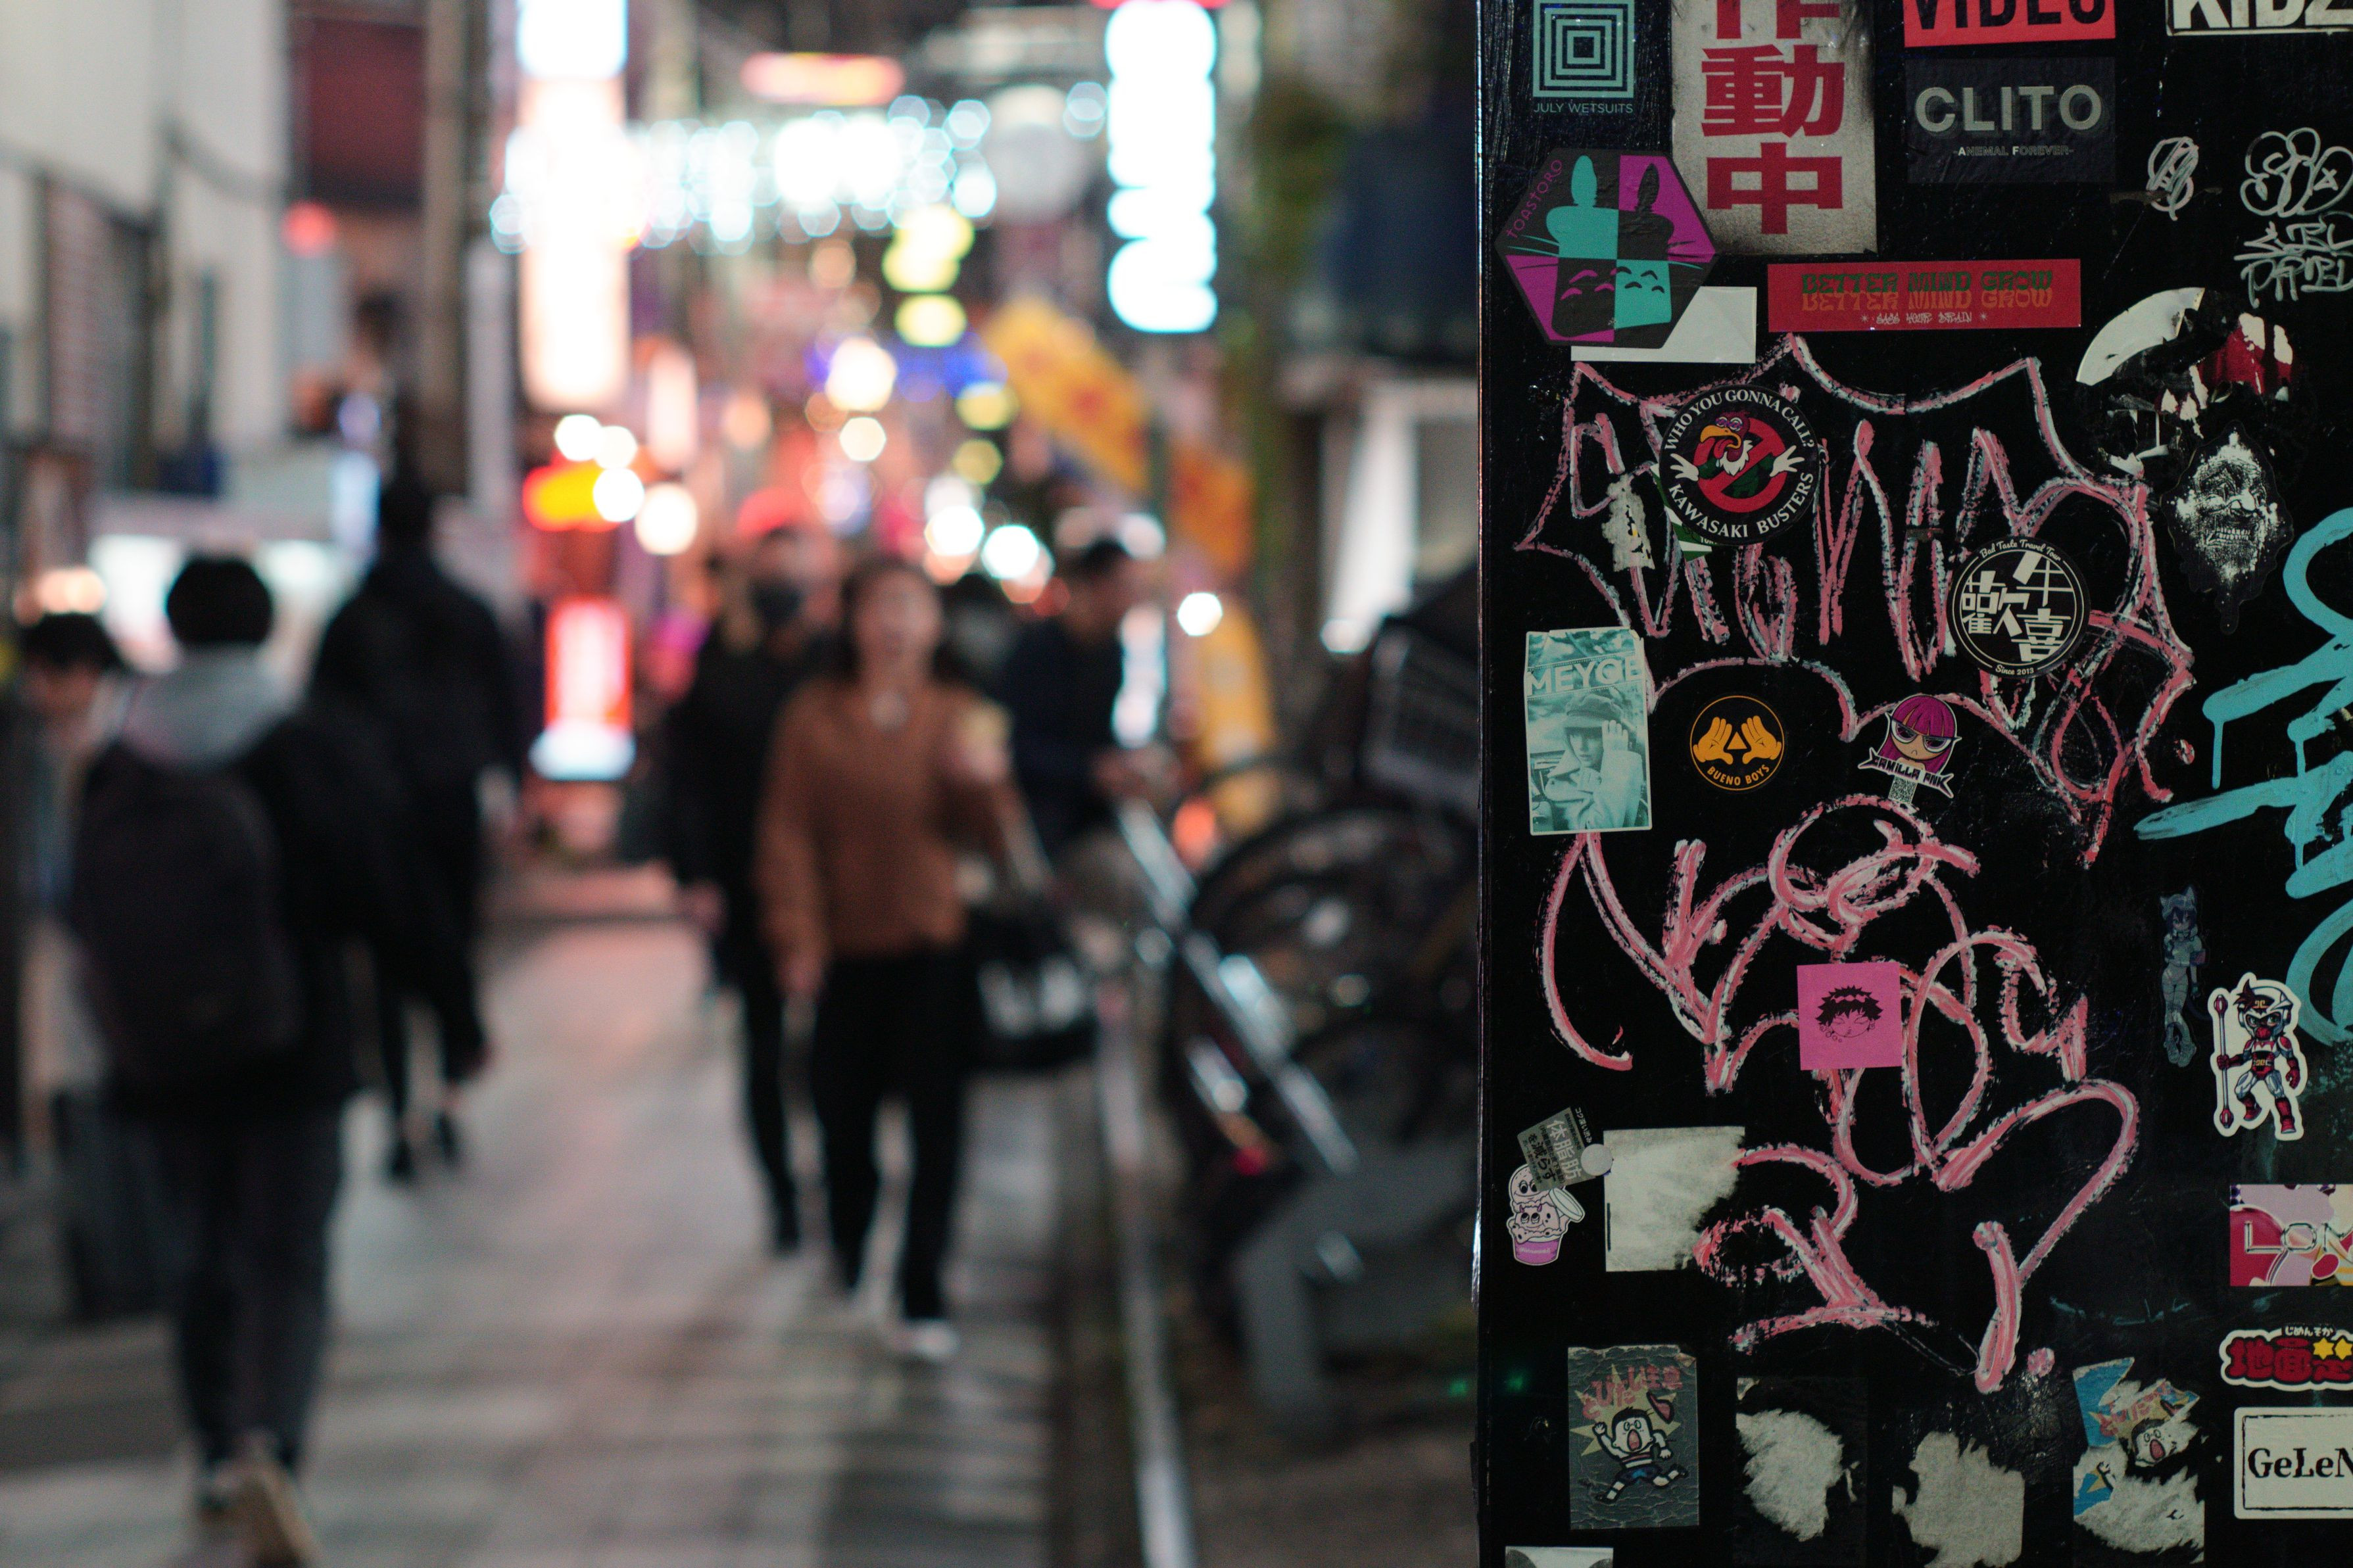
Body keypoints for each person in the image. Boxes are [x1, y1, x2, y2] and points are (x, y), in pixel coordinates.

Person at [71, 557, 479, 1563]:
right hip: (291, 1044)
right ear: (263, 629)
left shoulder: (121, 757)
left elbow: (84, 911)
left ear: (174, 629)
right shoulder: (303, 743)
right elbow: (386, 887)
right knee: (287, 1254)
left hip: (162, 1057)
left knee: (198, 1250)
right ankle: (271, 1446)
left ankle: (214, 1453)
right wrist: (452, 1010)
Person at [756, 557, 1015, 1359]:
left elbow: (999, 841)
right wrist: (797, 936)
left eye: (911, 606)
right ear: (853, 621)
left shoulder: (964, 714)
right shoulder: (813, 717)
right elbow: (786, 833)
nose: (895, 624)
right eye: (880, 606)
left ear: (936, 624)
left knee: (938, 1124)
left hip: (934, 941)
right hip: (844, 947)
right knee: (844, 1117)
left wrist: (982, 785)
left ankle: (922, 1288)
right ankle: (850, 1237)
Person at [312, 475, 520, 1179]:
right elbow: (507, 706)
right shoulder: (467, 612)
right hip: (451, 803)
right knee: (452, 943)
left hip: (372, 813)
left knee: (388, 965)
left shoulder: (351, 619)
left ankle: (402, 1113)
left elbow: (323, 716)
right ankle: (451, 1095)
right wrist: (508, 787)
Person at [665, 522, 842, 1252]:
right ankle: (782, 1196)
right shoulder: (720, 669)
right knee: (763, 1048)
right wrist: (697, 875)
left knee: (836, 1050)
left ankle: (838, 1181)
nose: (781, 591)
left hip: (836, 888)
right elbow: (687, 782)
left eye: (792, 575)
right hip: (747, 882)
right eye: (770, 576)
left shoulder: (835, 668)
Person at [995, 537, 1152, 857]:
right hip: (1039, 829)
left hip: (1091, 821)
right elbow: (1012, 749)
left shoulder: (1110, 653)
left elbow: (1098, 736)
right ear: (1098, 585)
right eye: (1128, 587)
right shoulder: (1035, 652)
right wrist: (1090, 771)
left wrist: (1125, 765)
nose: (1134, 600)